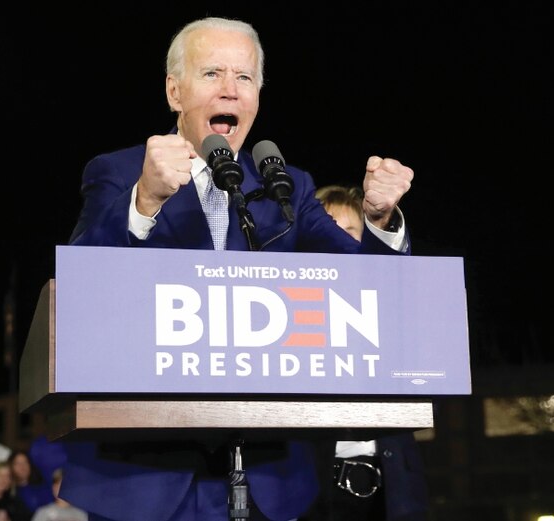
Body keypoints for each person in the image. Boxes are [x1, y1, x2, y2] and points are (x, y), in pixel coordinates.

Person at [64, 15, 414, 521]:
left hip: (268, 476)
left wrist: (380, 221)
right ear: (174, 91)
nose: (230, 89)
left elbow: (366, 287)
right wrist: (143, 201)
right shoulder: (119, 173)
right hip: (144, 478)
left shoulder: (287, 186)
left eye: (244, 77)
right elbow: (79, 284)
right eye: (212, 73)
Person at [299, 185, 429, 521]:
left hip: (391, 494)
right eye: (328, 227)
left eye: (349, 229)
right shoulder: (288, 313)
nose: (337, 238)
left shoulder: (391, 310)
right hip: (310, 491)